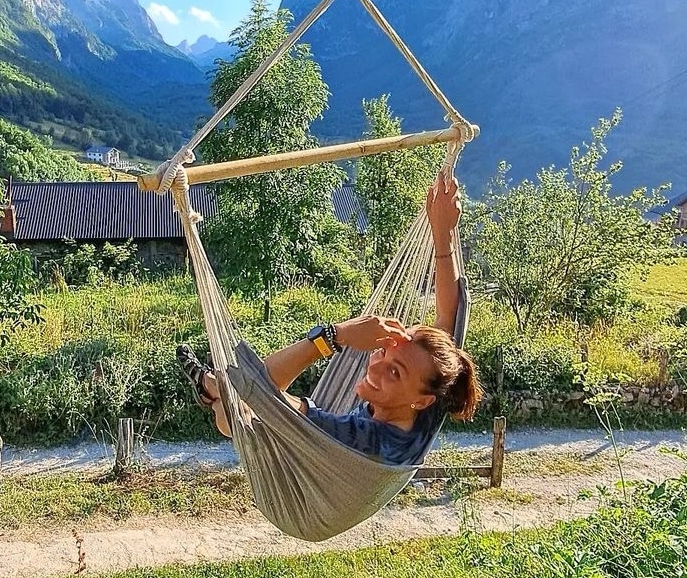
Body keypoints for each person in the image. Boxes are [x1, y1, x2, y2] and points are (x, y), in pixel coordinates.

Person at [176, 170, 483, 465]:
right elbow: (449, 315)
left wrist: (336, 335)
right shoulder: (428, 399)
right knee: (228, 408)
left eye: (395, 372)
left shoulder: (362, 441)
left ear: (423, 400)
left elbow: (257, 390)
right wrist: (442, 232)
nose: (375, 367)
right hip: (313, 449)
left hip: (301, 465)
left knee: (232, 413)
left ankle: (211, 384)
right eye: (383, 352)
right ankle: (212, 385)